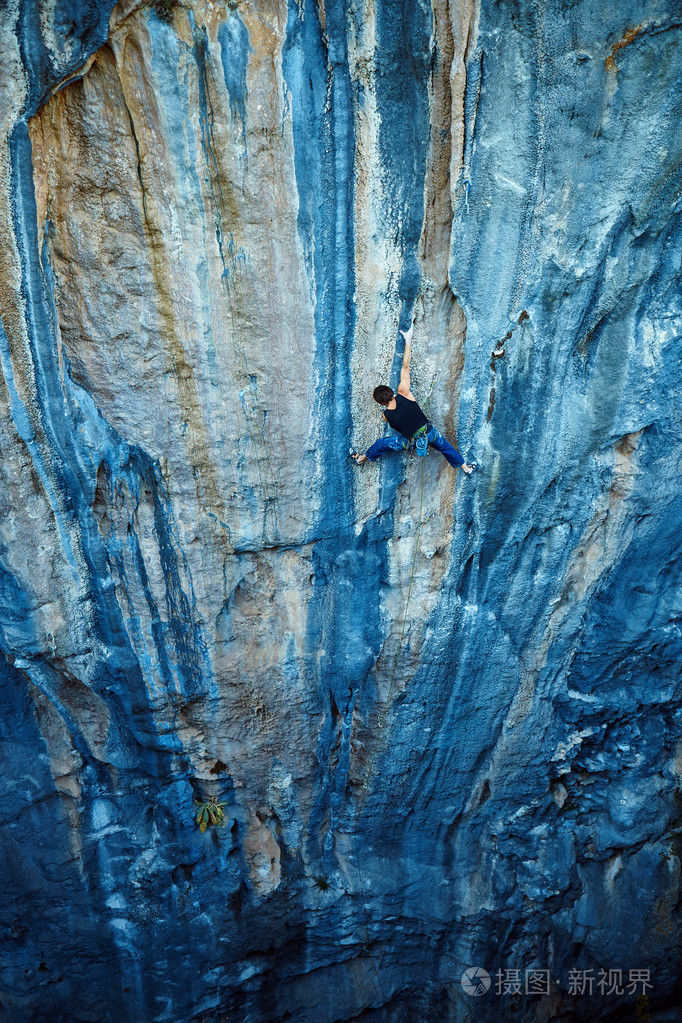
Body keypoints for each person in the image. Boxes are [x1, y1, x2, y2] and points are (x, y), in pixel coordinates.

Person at [351, 323, 476, 473]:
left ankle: (361, 458)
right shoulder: (404, 393)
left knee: (382, 443)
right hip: (429, 434)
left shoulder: (386, 416)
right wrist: (408, 340)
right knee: (446, 448)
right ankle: (466, 468)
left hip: (411, 443)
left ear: (381, 403)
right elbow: (406, 366)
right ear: (391, 392)